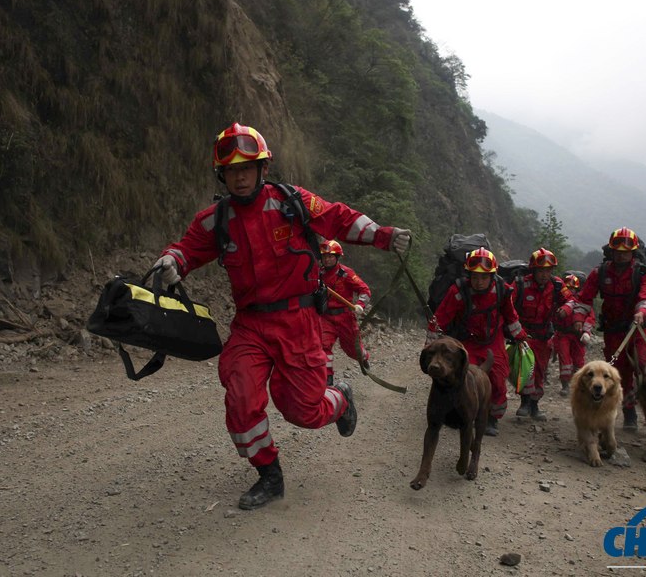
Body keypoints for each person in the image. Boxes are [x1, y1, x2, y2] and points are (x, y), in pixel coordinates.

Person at [152, 123, 411, 510]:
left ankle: (340, 398)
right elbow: (188, 249)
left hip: (299, 322)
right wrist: (171, 262)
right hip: (251, 325)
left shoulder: (294, 202)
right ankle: (269, 474)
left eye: (247, 168)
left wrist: (383, 235)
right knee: (241, 399)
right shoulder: (214, 220)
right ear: (221, 176)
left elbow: (339, 219)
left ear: (263, 169)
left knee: (302, 411)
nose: (240, 177)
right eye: (232, 171)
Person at [425, 247, 525, 436]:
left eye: (484, 277)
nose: (479, 282)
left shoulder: (502, 290)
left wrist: (521, 338)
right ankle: (461, 411)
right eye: (475, 276)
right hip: (466, 341)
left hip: (493, 340)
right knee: (464, 378)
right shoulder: (458, 291)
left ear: (492, 275)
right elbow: (442, 317)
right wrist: (430, 343)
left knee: (497, 378)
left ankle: (492, 418)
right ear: (469, 274)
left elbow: (511, 316)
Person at [572, 227, 646, 431]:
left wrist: (641, 312)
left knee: (644, 366)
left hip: (641, 328)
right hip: (614, 330)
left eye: (625, 252)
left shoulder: (644, 273)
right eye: (617, 251)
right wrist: (578, 317)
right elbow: (584, 299)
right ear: (611, 251)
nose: (621, 255)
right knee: (618, 372)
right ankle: (629, 412)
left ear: (633, 253)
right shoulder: (599, 273)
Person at [514, 248, 574, 419]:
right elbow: (508, 304)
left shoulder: (557, 285)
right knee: (527, 369)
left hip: (544, 336)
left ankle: (535, 405)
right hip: (525, 335)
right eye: (541, 270)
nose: (544, 274)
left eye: (548, 270)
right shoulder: (521, 284)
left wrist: (565, 309)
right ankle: (525, 402)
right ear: (533, 270)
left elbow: (571, 299)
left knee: (541, 370)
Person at [319, 240, 371, 385]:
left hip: (345, 317)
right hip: (326, 318)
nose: (327, 259)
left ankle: (364, 357)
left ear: (337, 257)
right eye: (325, 257)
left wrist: (360, 305)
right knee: (323, 347)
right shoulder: (318, 275)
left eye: (330, 256)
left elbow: (364, 290)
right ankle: (328, 379)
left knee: (353, 351)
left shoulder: (346, 273)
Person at [552, 273, 594, 396]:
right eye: (568, 288)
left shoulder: (583, 302)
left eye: (573, 288)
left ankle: (580, 385)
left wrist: (586, 332)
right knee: (565, 361)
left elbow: (590, 318)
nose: (571, 291)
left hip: (577, 336)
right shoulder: (559, 301)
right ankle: (565, 386)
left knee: (579, 361)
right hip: (563, 334)